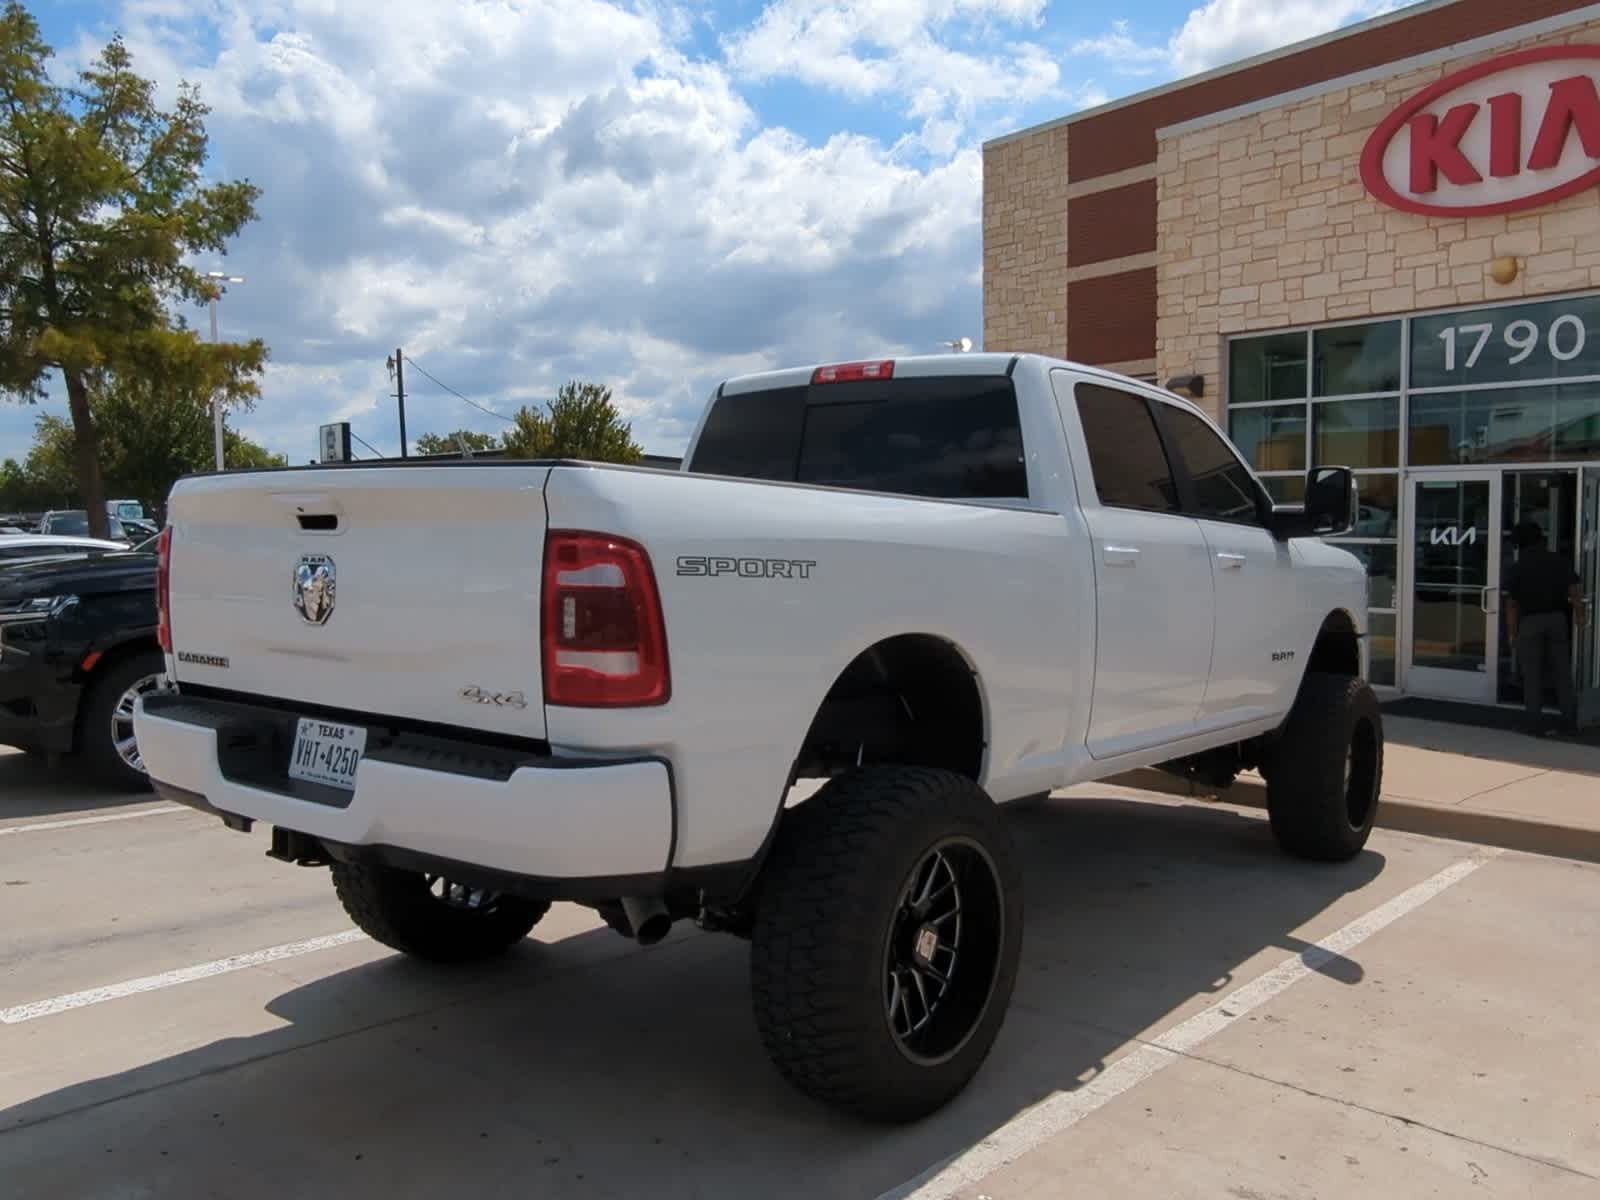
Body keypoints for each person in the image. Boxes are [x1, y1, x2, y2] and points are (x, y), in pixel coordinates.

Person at [1502, 519, 1584, 736]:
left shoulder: (1518, 567)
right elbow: (1575, 591)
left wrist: (1511, 633)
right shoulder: (1558, 561)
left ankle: (1534, 723)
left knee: (1532, 675)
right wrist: (1580, 618)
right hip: (1557, 620)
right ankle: (1568, 722)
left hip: (1530, 622)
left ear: (1519, 543)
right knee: (1562, 673)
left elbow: (1512, 604)